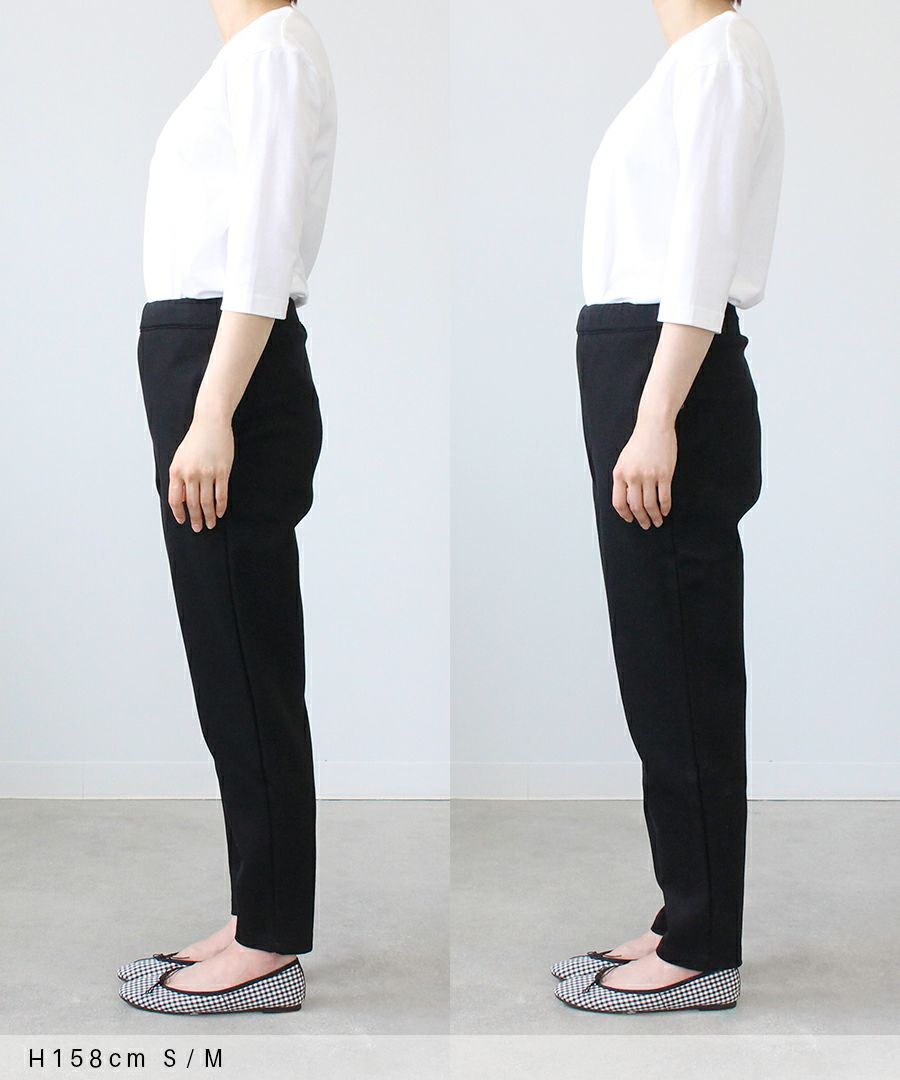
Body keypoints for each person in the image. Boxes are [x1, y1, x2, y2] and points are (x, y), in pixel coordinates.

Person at [553, 0, 784, 1014]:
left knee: (685, 670)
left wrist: (655, 414)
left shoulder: (723, 55)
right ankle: (683, 909)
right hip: (638, 367)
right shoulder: (690, 63)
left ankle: (702, 946)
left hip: (667, 378)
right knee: (659, 667)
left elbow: (699, 254)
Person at [117, 0, 337, 1016]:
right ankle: (259, 913)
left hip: (226, 377)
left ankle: (271, 944)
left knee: (249, 671)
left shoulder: (277, 50)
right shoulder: (250, 56)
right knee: (229, 667)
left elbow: (260, 249)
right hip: (204, 367)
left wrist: (212, 412)